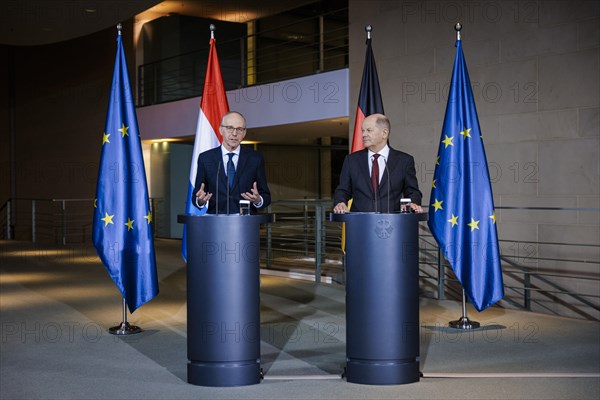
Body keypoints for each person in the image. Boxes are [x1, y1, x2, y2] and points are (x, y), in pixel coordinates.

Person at [333, 113, 423, 214]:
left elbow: (413, 191)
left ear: (384, 133)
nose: (363, 135)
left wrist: (413, 203)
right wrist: (340, 202)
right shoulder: (351, 160)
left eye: (369, 130)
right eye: (362, 130)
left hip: (392, 225)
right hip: (359, 224)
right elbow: (343, 190)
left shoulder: (404, 161)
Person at [192, 111, 271, 214]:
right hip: (215, 222)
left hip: (245, 223)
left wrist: (258, 200)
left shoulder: (255, 158)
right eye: (229, 128)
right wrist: (200, 200)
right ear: (221, 130)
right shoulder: (205, 158)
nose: (234, 133)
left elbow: (266, 196)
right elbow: (196, 195)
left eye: (239, 129)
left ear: (244, 133)